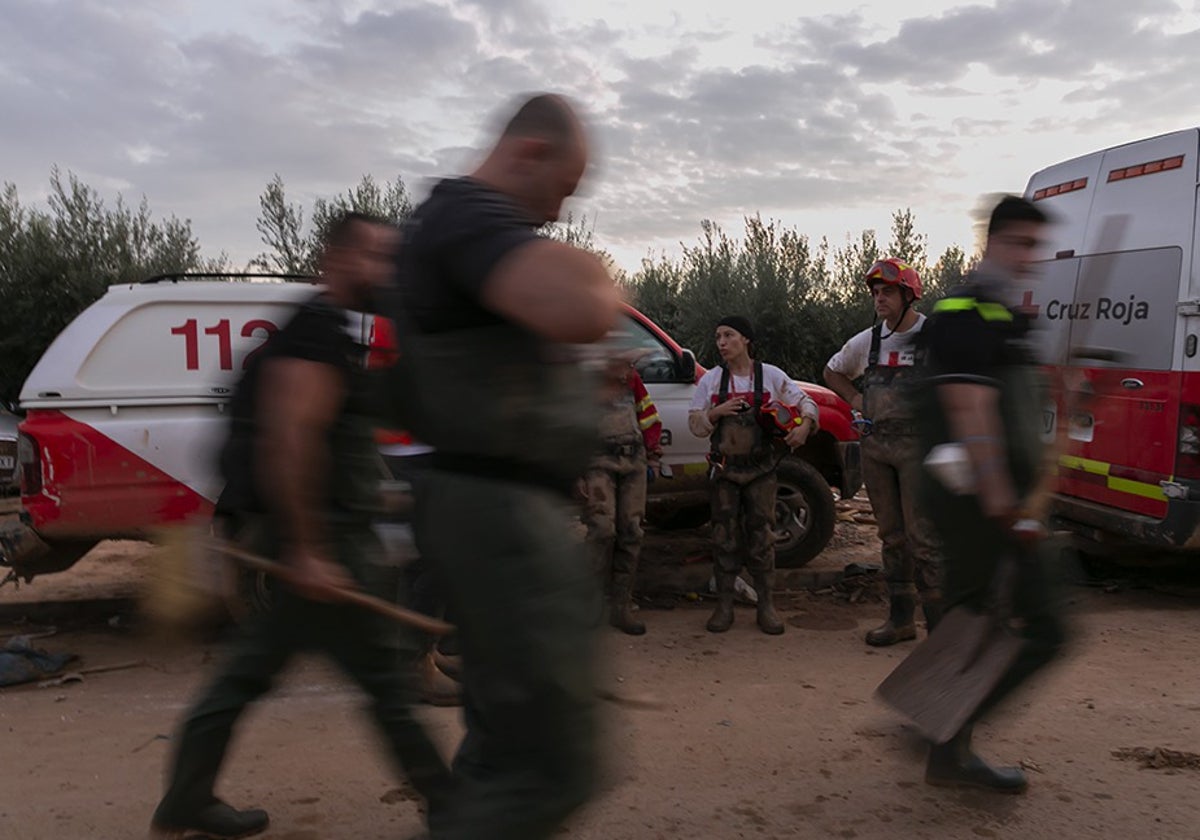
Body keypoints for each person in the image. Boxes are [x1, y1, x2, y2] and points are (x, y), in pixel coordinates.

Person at [150, 213, 451, 839]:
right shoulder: (316, 334)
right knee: (386, 687)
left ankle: (187, 797)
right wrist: (309, 548)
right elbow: (291, 440)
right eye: (375, 257)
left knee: (248, 675)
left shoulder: (329, 331)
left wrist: (377, 500)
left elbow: (330, 442)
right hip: (321, 542)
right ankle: (454, 809)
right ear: (336, 260)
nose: (385, 271)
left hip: (313, 535)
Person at [387, 93, 620, 840]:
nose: (558, 212)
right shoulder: (469, 217)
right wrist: (608, 285)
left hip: (493, 508)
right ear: (528, 154)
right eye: (562, 190)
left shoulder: (462, 229)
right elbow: (583, 303)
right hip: (501, 519)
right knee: (555, 766)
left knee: (501, 738)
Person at [917, 195, 1067, 792]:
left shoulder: (1002, 313)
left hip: (992, 505)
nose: (1033, 257)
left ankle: (942, 744)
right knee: (1045, 627)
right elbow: (969, 408)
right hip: (981, 506)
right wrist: (1006, 506)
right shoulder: (968, 309)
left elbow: (1008, 404)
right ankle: (939, 728)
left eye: (1037, 246)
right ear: (995, 240)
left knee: (974, 619)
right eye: (1023, 244)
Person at [824, 258, 942, 646]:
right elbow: (832, 372)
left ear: (909, 295)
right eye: (875, 293)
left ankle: (942, 632)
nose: (879, 299)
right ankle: (901, 620)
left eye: (887, 291)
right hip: (876, 450)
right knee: (892, 538)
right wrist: (856, 398)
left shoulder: (934, 336)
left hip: (919, 451)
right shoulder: (867, 341)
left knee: (924, 538)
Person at [687, 316, 819, 635]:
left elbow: (807, 403)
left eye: (728, 335)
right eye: (717, 336)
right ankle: (724, 606)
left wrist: (804, 426)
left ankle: (766, 605)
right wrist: (715, 413)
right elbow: (694, 423)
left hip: (762, 471)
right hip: (724, 472)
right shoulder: (711, 381)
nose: (721, 342)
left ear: (746, 339)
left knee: (762, 536)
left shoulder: (771, 376)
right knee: (724, 537)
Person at [580, 354, 663, 635]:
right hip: (597, 462)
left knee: (631, 532)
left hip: (633, 462)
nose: (627, 370)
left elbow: (649, 416)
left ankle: (621, 606)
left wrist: (652, 450)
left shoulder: (633, 382)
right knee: (602, 530)